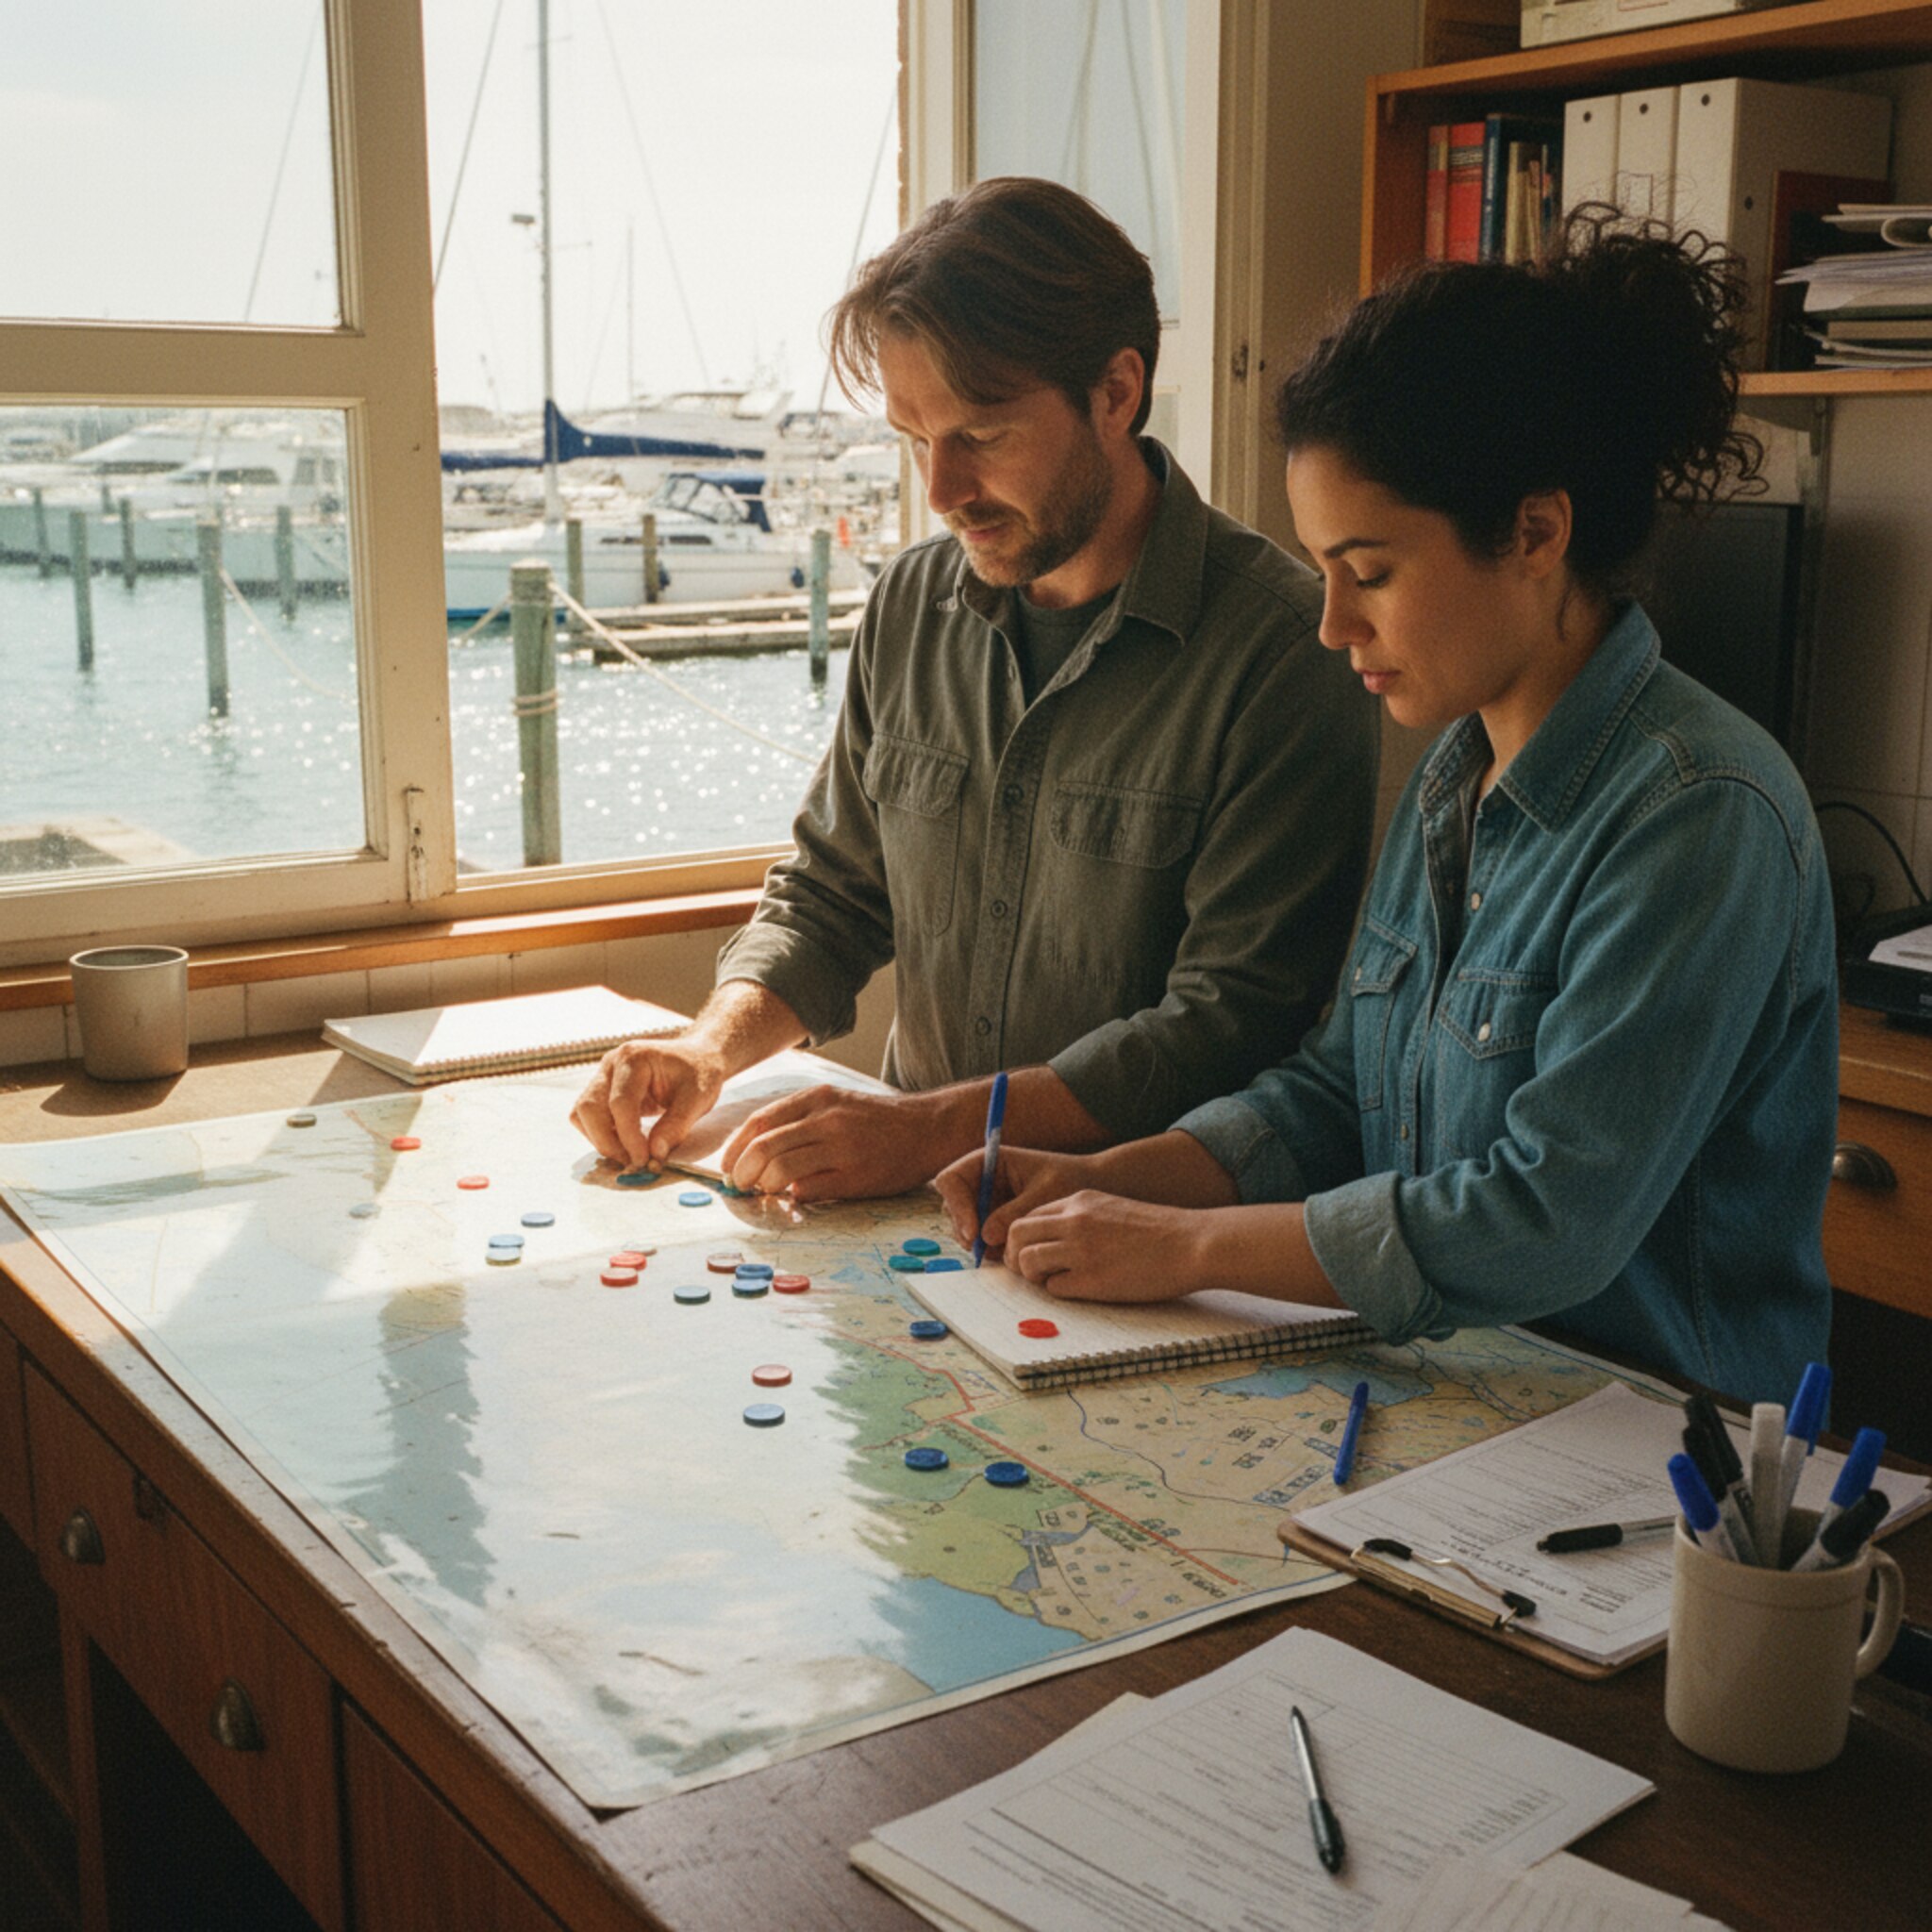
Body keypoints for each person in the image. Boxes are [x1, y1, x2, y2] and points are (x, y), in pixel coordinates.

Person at [937, 213, 1838, 1403]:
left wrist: (1185, 1246)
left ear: (1533, 531)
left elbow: (1540, 1216)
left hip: (1652, 1456)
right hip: (1460, 1402)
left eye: (1368, 574)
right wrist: (1121, 1177)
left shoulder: (1697, 814)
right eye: (1320, 572)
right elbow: (1331, 1092)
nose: (1330, 624)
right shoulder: (1452, 773)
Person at [573, 177, 1377, 1200]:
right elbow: (831, 894)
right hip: (908, 1208)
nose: (941, 492)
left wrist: (924, 1127)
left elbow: (1228, 1021)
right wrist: (709, 1048)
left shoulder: (1283, 648)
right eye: (914, 440)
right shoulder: (910, 601)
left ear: (1116, 393)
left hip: (1138, 1233)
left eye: (981, 437)